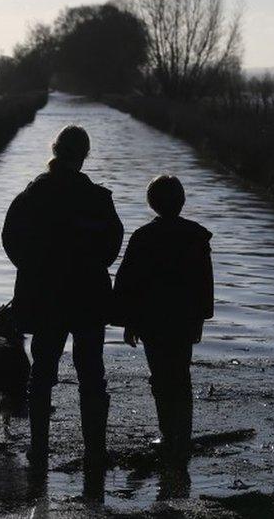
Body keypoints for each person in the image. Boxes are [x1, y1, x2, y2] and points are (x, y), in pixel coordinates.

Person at [2, 125, 123, 470]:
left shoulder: (31, 195)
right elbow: (111, 247)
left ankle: (39, 450)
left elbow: (11, 240)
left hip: (45, 299)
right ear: (84, 156)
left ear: (55, 151)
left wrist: (32, 270)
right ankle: (95, 452)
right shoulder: (99, 199)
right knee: (91, 374)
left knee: (42, 373)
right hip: (88, 298)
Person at [113, 174, 214, 467]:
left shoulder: (143, 237)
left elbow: (128, 282)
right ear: (182, 202)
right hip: (184, 320)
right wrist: (201, 319)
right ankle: (182, 435)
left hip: (152, 321)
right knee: (181, 375)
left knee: (160, 376)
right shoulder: (196, 236)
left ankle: (168, 434)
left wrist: (128, 321)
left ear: (151, 204)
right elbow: (204, 283)